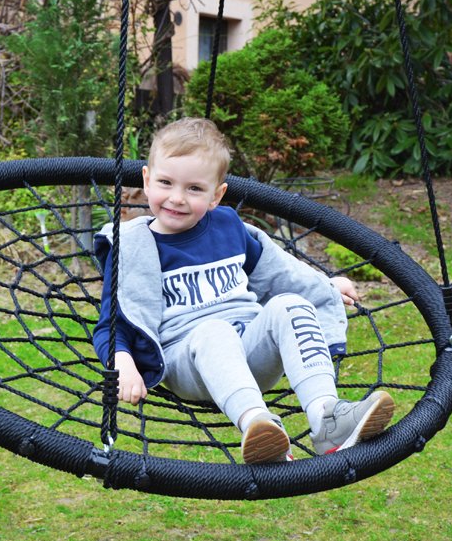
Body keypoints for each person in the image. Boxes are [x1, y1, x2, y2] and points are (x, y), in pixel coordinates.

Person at [93, 118, 394, 463]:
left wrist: (324, 287)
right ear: (146, 180)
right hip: (186, 360)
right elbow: (109, 324)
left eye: (194, 188)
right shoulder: (133, 247)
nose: (176, 198)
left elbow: (279, 272)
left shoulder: (228, 227)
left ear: (216, 195)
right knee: (214, 331)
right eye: (165, 182)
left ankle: (327, 417)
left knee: (290, 303)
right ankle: (260, 427)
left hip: (250, 352)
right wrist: (124, 365)